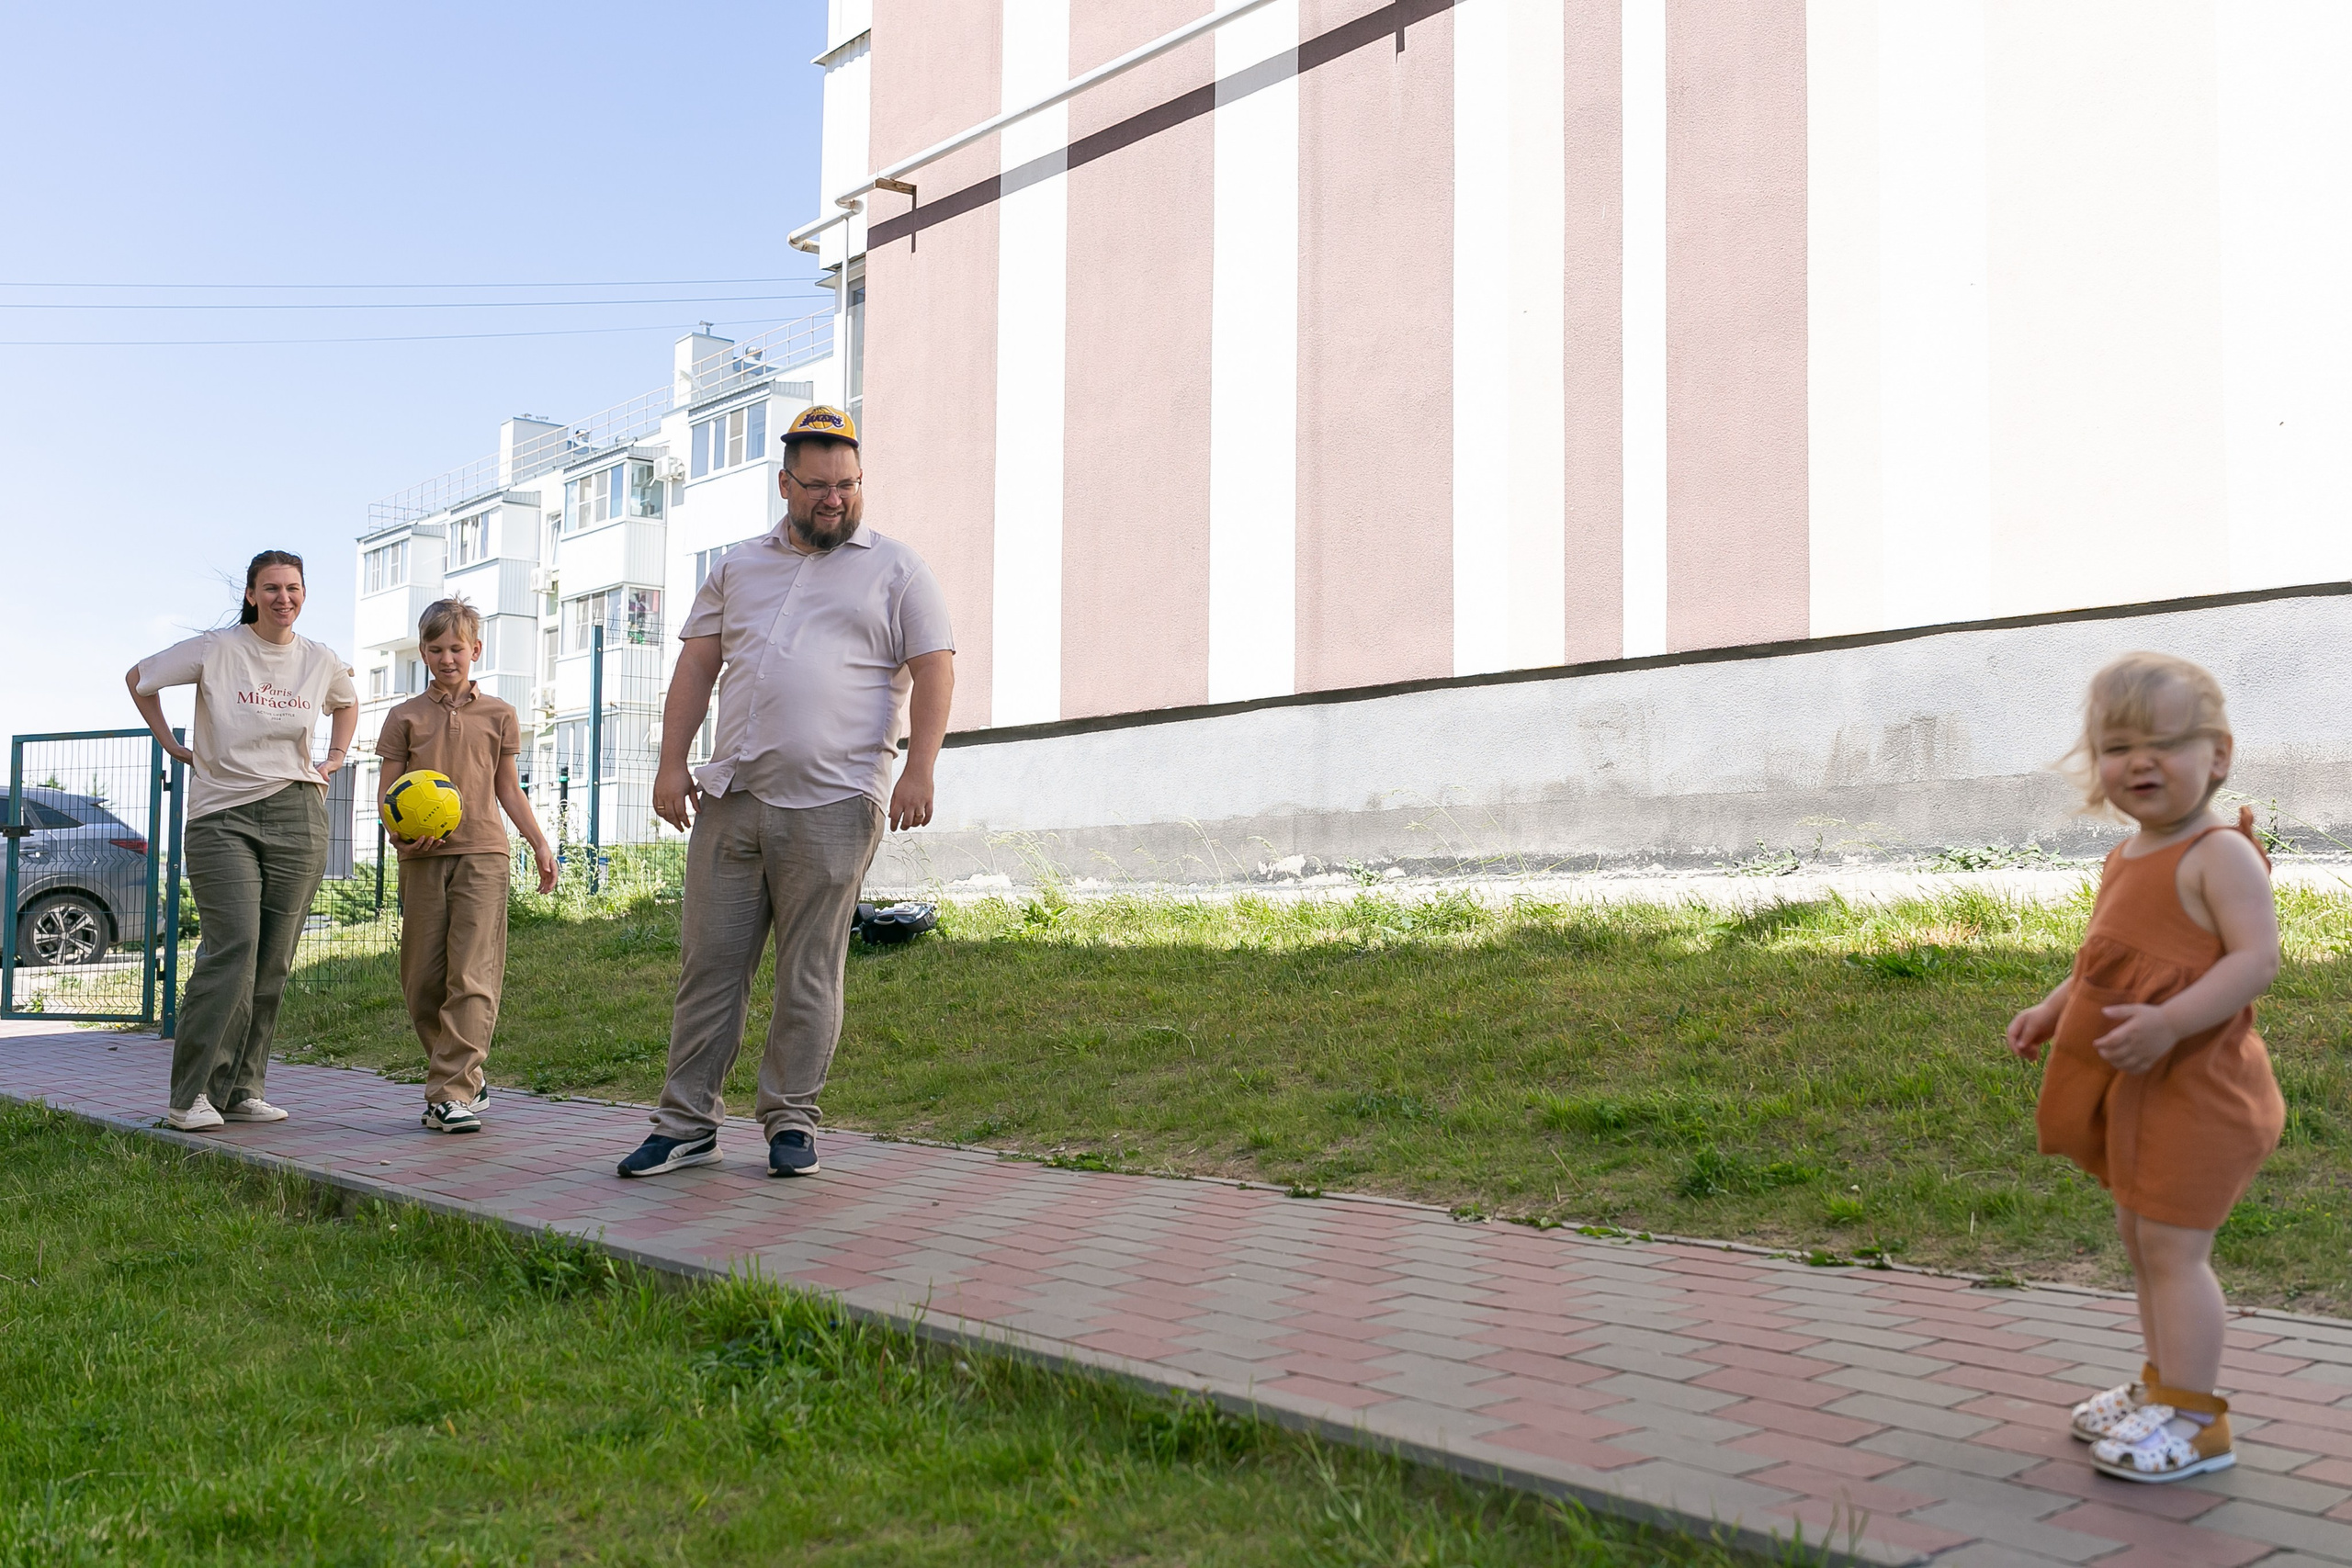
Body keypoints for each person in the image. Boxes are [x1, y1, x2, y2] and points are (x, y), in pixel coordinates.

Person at [617, 405, 955, 1179]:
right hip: (733, 795)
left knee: (810, 966)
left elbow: (936, 667)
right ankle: (686, 1122)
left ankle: (791, 1119)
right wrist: (673, 765)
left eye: (848, 484)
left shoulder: (898, 569)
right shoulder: (738, 566)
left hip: (837, 799)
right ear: (785, 485)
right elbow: (698, 668)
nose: (834, 498)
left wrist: (919, 768)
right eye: (817, 485)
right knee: (710, 965)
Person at [2006, 652, 2284, 1484]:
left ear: (2219, 755)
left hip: (2204, 1090)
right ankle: (2165, 1387)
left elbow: (2256, 961)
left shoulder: (2216, 854)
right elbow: (2107, 956)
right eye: (2118, 745)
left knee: (2174, 1248)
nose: (2139, 762)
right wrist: (2056, 1006)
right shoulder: (2129, 854)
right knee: (2142, 1235)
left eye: (2165, 742)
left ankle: (2197, 1420)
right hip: (2146, 1087)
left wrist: (2169, 1022)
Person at [126, 549, 358, 1131]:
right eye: (272, 588)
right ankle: (191, 1096)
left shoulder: (320, 659)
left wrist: (335, 757)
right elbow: (139, 678)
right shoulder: (218, 648)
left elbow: (348, 701)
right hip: (221, 815)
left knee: (273, 960)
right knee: (233, 950)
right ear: (252, 594)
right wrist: (170, 744)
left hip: (298, 810)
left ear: (304, 594)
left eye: (294, 588)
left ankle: (243, 1088)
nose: (285, 598)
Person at [375, 598, 559, 1134]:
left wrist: (539, 843)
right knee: (422, 981)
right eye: (435, 649)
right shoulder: (403, 716)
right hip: (422, 857)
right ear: (424, 652)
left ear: (476, 650)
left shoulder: (499, 713)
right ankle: (465, 1078)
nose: (446, 658)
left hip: (482, 854)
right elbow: (389, 791)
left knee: (472, 975)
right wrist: (400, 837)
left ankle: (448, 1093)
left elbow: (508, 789)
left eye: (456, 648)